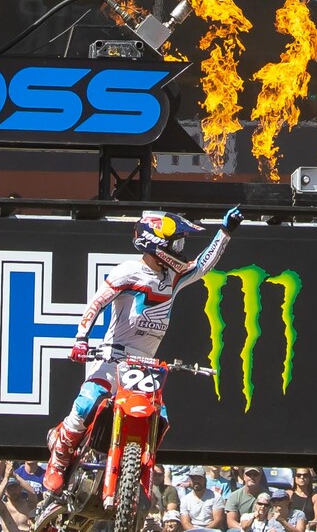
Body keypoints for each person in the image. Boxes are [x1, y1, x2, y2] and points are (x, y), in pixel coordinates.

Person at [42, 209, 243, 496]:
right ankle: (59, 459)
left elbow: (203, 267)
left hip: (145, 364)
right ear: (155, 243)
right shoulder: (128, 271)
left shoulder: (173, 276)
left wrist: (225, 233)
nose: (180, 250)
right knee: (89, 400)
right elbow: (96, 303)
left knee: (159, 415)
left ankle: (132, 470)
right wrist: (81, 339)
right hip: (114, 356)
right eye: (176, 243)